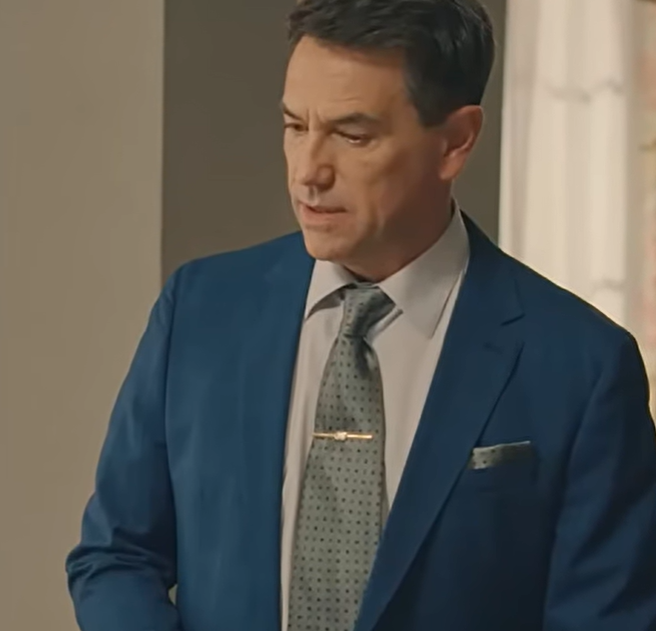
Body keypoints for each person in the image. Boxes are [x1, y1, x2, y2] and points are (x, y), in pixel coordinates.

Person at [65, 0, 656, 629]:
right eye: (295, 126)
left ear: (456, 141)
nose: (309, 172)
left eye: (352, 135)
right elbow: (116, 555)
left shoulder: (582, 367)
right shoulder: (200, 311)